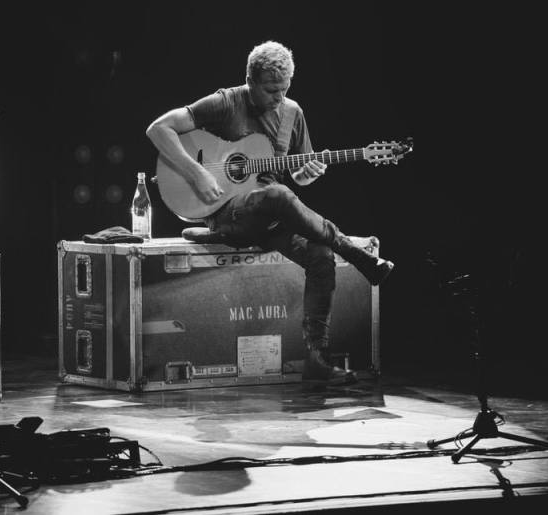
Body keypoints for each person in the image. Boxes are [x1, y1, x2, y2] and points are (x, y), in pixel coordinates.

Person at [146, 40, 393, 383]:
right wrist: (197, 172)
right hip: (230, 216)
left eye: (284, 89)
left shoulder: (293, 113)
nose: (278, 97)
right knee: (278, 193)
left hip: (274, 219)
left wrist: (306, 174)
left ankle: (317, 360)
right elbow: (158, 129)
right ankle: (356, 254)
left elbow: (298, 177)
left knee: (319, 252)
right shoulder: (225, 102)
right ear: (250, 81)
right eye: (270, 90)